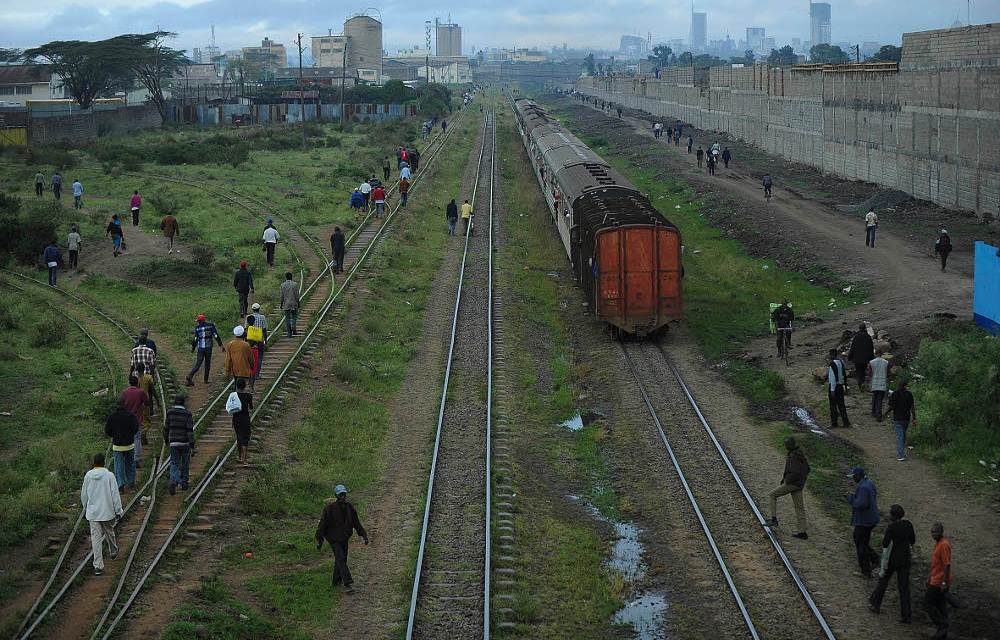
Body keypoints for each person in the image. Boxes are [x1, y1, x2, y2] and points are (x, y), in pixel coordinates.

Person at [315, 484, 369, 593]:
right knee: (341, 559)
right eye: (340, 495)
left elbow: (356, 523)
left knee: (341, 559)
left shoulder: (350, 508)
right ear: (336, 495)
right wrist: (320, 540)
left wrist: (364, 535)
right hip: (333, 539)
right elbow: (322, 526)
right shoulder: (329, 509)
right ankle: (347, 583)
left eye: (344, 494)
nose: (342, 497)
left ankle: (336, 581)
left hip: (344, 538)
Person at [868, 504, 915, 622]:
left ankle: (875, 603)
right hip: (905, 559)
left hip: (893, 559)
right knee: (904, 588)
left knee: (883, 581)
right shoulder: (908, 524)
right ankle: (906, 615)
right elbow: (913, 540)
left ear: (894, 516)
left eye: (890, 513)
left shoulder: (891, 527)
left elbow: (885, 543)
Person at [80, 453, 122, 575]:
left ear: (94, 463)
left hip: (93, 513)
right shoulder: (109, 476)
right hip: (107, 511)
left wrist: (85, 507)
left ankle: (98, 565)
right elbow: (115, 495)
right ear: (104, 462)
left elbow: (84, 494)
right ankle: (113, 550)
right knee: (109, 532)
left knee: (96, 538)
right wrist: (118, 511)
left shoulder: (88, 476)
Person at [763, 436, 810, 539]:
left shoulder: (792, 456)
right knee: (799, 508)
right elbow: (808, 468)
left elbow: (794, 472)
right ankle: (802, 532)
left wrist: (787, 481)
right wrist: (802, 481)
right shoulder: (800, 453)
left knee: (772, 495)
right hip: (799, 484)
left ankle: (773, 519)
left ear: (789, 445)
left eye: (786, 444)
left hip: (793, 484)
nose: (785, 446)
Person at [846, 465, 880, 577]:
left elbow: (861, 504)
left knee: (861, 545)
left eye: (854, 476)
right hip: (870, 519)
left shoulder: (864, 488)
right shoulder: (868, 483)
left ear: (858, 476)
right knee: (861, 540)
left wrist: (850, 499)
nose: (853, 479)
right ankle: (875, 559)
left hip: (864, 521)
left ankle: (866, 570)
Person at [924, 523, 952, 639]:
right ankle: (943, 633)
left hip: (939, 582)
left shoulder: (944, 545)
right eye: (931, 532)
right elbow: (937, 564)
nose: (933, 534)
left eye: (935, 532)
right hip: (935, 579)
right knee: (940, 606)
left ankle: (942, 625)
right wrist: (929, 577)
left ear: (941, 532)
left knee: (927, 603)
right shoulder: (939, 543)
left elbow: (946, 565)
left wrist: (943, 582)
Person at [105, 395, 139, 490]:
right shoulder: (130, 415)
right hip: (129, 444)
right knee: (130, 463)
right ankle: (131, 482)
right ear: (125, 404)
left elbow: (107, 429)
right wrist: (131, 434)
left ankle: (120, 484)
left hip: (117, 445)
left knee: (118, 465)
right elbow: (136, 428)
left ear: (116, 404)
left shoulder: (111, 416)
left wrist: (113, 435)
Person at [163, 394, 194, 494]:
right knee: (185, 463)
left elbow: (166, 428)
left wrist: (166, 440)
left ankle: (173, 480)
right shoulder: (187, 414)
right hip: (185, 443)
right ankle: (184, 483)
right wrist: (192, 445)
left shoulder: (170, 413)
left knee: (174, 463)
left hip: (174, 442)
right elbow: (190, 430)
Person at [121, 376, 150, 468]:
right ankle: (136, 459)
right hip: (138, 418)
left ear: (129, 382)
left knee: (128, 438)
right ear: (137, 383)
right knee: (137, 438)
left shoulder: (124, 393)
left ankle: (127, 458)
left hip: (126, 419)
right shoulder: (140, 392)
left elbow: (121, 404)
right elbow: (147, 402)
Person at [187, 314, 223, 386]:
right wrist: (221, 345)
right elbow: (216, 335)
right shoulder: (211, 326)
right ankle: (205, 380)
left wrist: (193, 348)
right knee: (207, 363)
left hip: (200, 348)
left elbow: (195, 339)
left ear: (199, 321)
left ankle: (190, 375)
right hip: (208, 348)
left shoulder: (197, 328)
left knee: (198, 363)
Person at [887, 380, 916, 461]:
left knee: (900, 436)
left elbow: (891, 406)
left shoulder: (895, 394)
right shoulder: (909, 394)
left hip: (898, 418)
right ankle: (902, 452)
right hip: (906, 418)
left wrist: (884, 414)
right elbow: (912, 407)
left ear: (899, 385)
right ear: (905, 385)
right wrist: (914, 419)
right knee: (903, 435)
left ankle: (901, 455)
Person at [232, 378, 254, 467]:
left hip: (236, 419)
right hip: (245, 418)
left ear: (237, 386)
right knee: (245, 439)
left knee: (238, 437)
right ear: (244, 386)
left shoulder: (234, 395)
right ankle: (245, 460)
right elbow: (251, 407)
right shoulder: (248, 396)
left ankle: (239, 456)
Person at [134, 362, 157, 446]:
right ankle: (144, 432)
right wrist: (156, 400)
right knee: (147, 419)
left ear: (136, 369)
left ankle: (139, 434)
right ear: (144, 369)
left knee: (139, 418)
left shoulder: (135, 378)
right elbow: (153, 390)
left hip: (137, 401)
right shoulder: (148, 378)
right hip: (145, 400)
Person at [828, 348, 851, 428]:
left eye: (830, 354)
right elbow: (843, 374)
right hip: (840, 385)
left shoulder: (832, 364)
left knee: (833, 406)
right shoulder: (841, 362)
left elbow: (833, 378)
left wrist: (832, 390)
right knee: (841, 405)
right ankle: (846, 422)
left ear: (833, 355)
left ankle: (834, 423)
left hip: (834, 386)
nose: (829, 356)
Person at [848, 323, 874, 391]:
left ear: (859, 328)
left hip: (857, 359)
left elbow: (852, 348)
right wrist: (871, 358)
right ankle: (862, 383)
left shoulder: (856, 337)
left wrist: (849, 357)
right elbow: (871, 348)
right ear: (865, 328)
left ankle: (861, 384)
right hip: (865, 359)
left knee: (859, 372)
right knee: (863, 371)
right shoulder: (868, 337)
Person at [246, 302, 268, 383]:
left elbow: (246, 328)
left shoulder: (248, 317)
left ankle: (250, 374)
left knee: (250, 358)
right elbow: (264, 330)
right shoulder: (262, 317)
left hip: (250, 342)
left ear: (252, 309)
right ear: (259, 309)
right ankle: (257, 374)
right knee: (259, 357)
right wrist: (266, 341)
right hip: (260, 341)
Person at [867, 350, 889, 422]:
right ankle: (878, 415)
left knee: (874, 397)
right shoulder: (886, 362)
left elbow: (869, 373)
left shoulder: (872, 362)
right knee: (879, 400)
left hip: (874, 382)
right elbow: (888, 372)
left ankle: (873, 412)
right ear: (881, 354)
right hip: (882, 382)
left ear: (876, 354)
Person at [279, 272, 300, 337]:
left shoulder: (282, 285)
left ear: (286, 277)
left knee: (287, 317)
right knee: (294, 316)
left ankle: (289, 332)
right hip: (294, 302)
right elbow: (297, 295)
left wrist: (281, 303)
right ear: (291, 277)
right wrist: (298, 302)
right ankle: (293, 326)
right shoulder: (295, 284)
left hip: (286, 303)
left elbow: (281, 296)